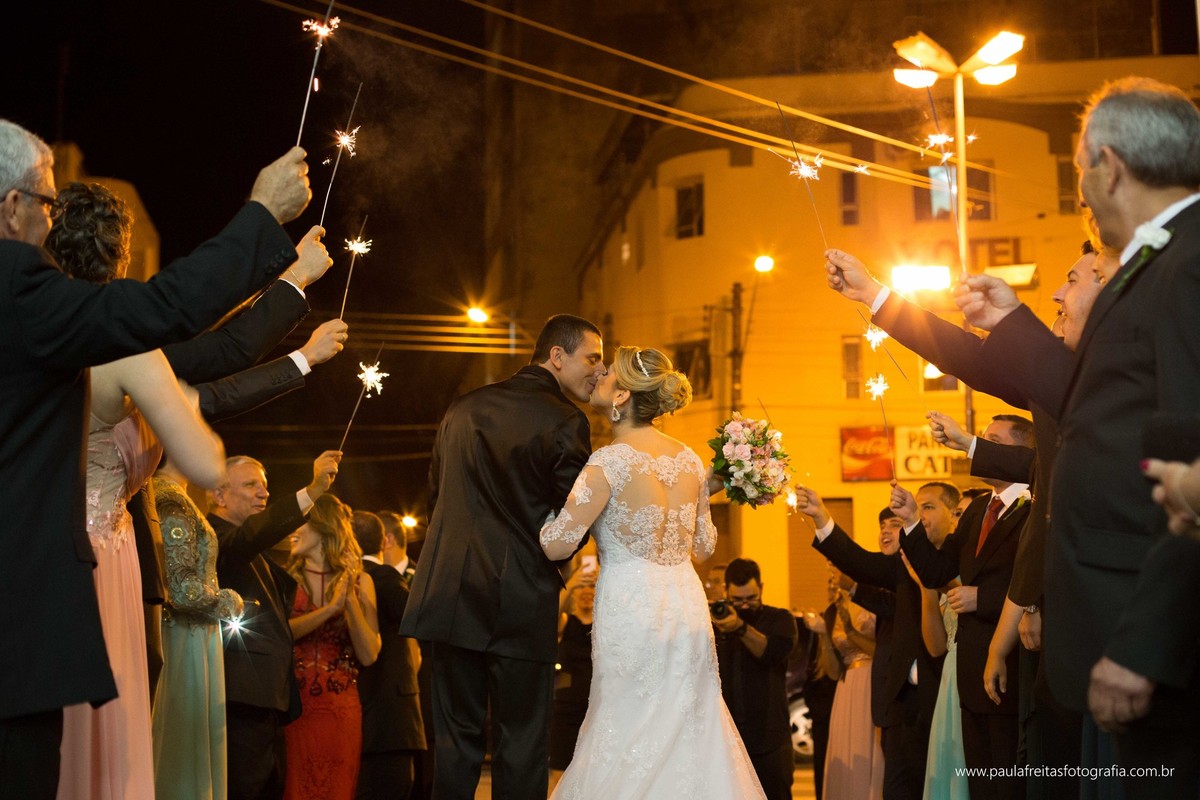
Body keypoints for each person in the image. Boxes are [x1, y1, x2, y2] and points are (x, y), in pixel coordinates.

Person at [0, 116, 310, 799]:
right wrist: (263, 215)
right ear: (14, 206)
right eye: (44, 200)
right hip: (49, 584)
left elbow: (204, 354)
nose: (47, 221)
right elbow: (180, 324)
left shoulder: (60, 327)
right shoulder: (38, 304)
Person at [953, 77, 1200, 796]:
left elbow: (1189, 477)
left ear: (1110, 165)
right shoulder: (1160, 260)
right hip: (1115, 629)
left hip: (1149, 639)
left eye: (1080, 171)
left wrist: (1144, 644)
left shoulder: (1186, 268)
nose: (1082, 194)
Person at [540, 346, 765, 797]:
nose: (598, 376)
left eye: (607, 375)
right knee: (690, 720)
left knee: (627, 718)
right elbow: (703, 548)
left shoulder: (609, 461)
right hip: (684, 600)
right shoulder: (688, 461)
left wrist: (542, 512)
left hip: (630, 602)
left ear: (622, 395)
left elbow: (556, 544)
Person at [399, 314, 605, 799]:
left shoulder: (462, 408)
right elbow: (570, 519)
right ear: (557, 355)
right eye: (592, 358)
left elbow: (435, 498)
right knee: (521, 742)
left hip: (447, 595)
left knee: (453, 743)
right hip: (518, 599)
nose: (599, 370)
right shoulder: (564, 419)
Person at [893, 416, 1033, 800]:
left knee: (1010, 782)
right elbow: (938, 570)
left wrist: (981, 598)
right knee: (982, 786)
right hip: (971, 670)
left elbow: (1039, 578)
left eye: (993, 441)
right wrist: (909, 523)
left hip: (1012, 664)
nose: (984, 447)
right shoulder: (978, 509)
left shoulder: (1034, 506)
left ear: (1019, 453)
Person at [212, 452, 341, 800]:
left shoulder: (253, 547)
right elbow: (253, 535)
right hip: (240, 699)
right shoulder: (216, 538)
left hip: (267, 698)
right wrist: (312, 491)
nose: (263, 494)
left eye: (265, 487)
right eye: (251, 485)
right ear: (218, 495)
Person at [799, 489, 943, 800]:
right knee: (895, 790)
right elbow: (859, 561)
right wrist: (822, 517)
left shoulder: (952, 559)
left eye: (928, 507)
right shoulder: (903, 567)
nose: (920, 516)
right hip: (900, 702)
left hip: (940, 694)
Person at [150, 456, 243, 800]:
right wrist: (230, 601)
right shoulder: (169, 498)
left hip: (195, 636)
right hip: (184, 637)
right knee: (181, 748)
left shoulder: (178, 495)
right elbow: (183, 589)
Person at [284, 495, 380, 800]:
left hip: (342, 710)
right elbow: (279, 634)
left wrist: (348, 600)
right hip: (294, 709)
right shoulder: (286, 579)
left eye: (301, 523)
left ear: (324, 527)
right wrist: (328, 610)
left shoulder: (362, 582)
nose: (292, 531)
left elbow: (369, 653)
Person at [711, 558, 799, 800]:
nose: (744, 606)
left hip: (770, 741)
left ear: (762, 587)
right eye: (737, 600)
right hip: (727, 740)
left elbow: (772, 652)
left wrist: (740, 627)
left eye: (751, 598)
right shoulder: (712, 623)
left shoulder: (780, 619)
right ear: (725, 591)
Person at [352, 511, 424, 800]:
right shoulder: (380, 576)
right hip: (389, 718)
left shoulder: (379, 577)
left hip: (382, 716)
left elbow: (413, 614)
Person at [813, 564, 882, 800]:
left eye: (836, 577)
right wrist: (823, 634)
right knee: (845, 752)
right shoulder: (833, 611)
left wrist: (851, 631)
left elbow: (880, 651)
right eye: (829, 579)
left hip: (872, 680)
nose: (832, 583)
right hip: (846, 687)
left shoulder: (872, 602)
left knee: (868, 751)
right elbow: (833, 672)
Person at [548, 562, 597, 793]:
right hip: (566, 709)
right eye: (583, 588)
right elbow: (550, 613)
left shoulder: (603, 625)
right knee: (560, 769)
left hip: (596, 708)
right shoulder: (566, 623)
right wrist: (572, 583)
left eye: (592, 587)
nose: (587, 593)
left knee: (592, 772)